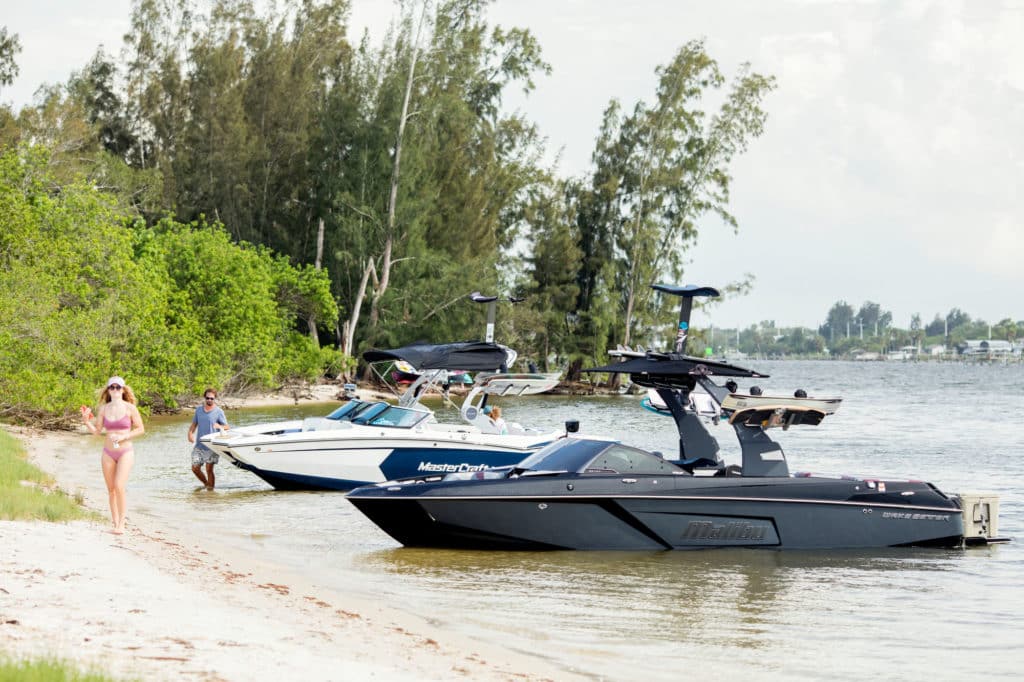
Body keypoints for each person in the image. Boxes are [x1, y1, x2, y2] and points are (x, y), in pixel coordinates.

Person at [79, 376, 145, 535]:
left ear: (123, 390)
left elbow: (141, 429)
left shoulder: (130, 408)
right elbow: (97, 432)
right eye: (112, 387)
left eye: (118, 387)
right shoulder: (104, 409)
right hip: (108, 452)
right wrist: (86, 420)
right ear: (108, 390)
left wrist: (124, 437)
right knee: (111, 490)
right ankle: (115, 523)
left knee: (119, 486)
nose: (115, 390)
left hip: (125, 451)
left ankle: (122, 524)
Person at [187, 388, 229, 489]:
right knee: (195, 468)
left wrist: (219, 427)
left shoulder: (219, 412)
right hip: (199, 445)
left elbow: (227, 427)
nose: (209, 400)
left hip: (212, 445)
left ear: (215, 399)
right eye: (207, 398)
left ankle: (210, 491)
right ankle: (207, 484)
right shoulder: (198, 410)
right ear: (204, 398)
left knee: (209, 469)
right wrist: (190, 434)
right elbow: (194, 425)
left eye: (212, 398)